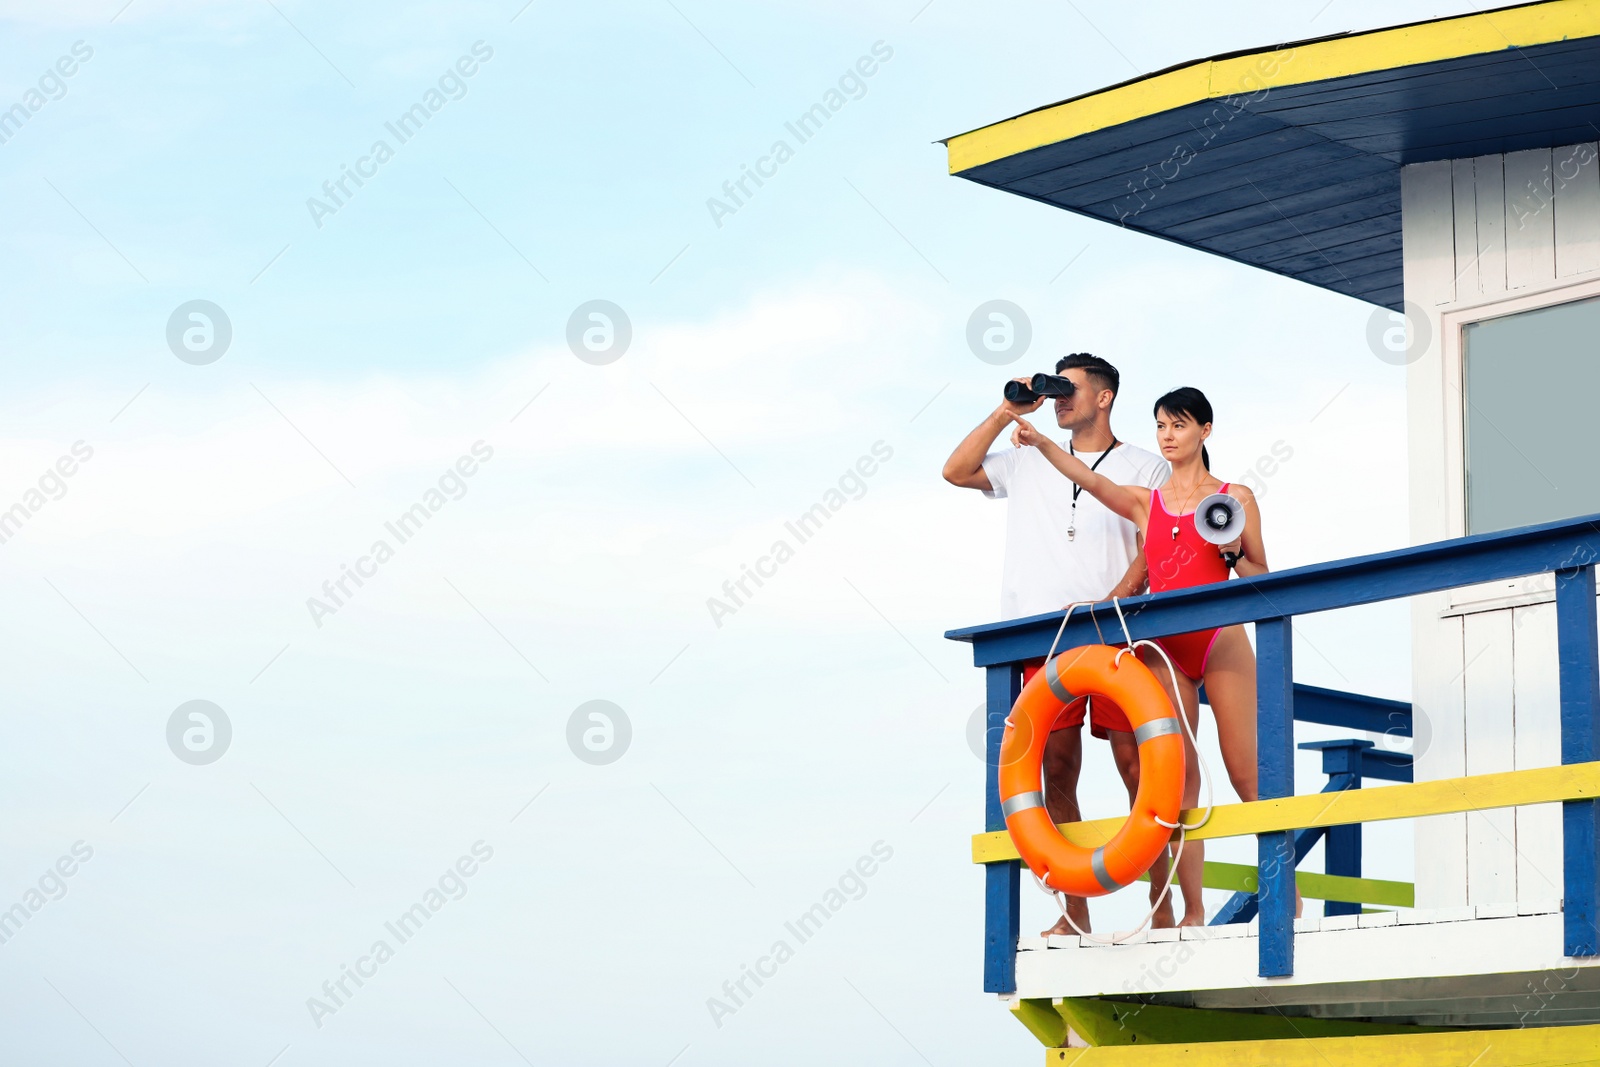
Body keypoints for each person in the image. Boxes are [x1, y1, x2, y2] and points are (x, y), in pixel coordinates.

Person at [1009, 386, 1297, 926]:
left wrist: (1234, 554)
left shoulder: (1235, 497)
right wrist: (1041, 440)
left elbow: (1263, 579)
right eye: (1161, 426)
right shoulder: (1147, 500)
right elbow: (1089, 481)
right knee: (1177, 778)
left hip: (1220, 639)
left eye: (1180, 426)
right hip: (1166, 650)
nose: (1168, 436)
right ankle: (1191, 910)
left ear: (1204, 432)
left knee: (1247, 776)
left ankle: (1288, 897)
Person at [943, 353, 1172, 935]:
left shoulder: (1147, 466)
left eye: (1070, 389)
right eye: (1055, 388)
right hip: (1040, 635)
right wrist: (1007, 411)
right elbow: (955, 470)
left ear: (1105, 397)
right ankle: (1075, 917)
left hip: (1118, 632)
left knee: (1140, 769)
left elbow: (1159, 543)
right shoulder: (1026, 458)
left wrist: (1118, 594)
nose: (1059, 397)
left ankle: (1163, 911)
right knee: (1055, 771)